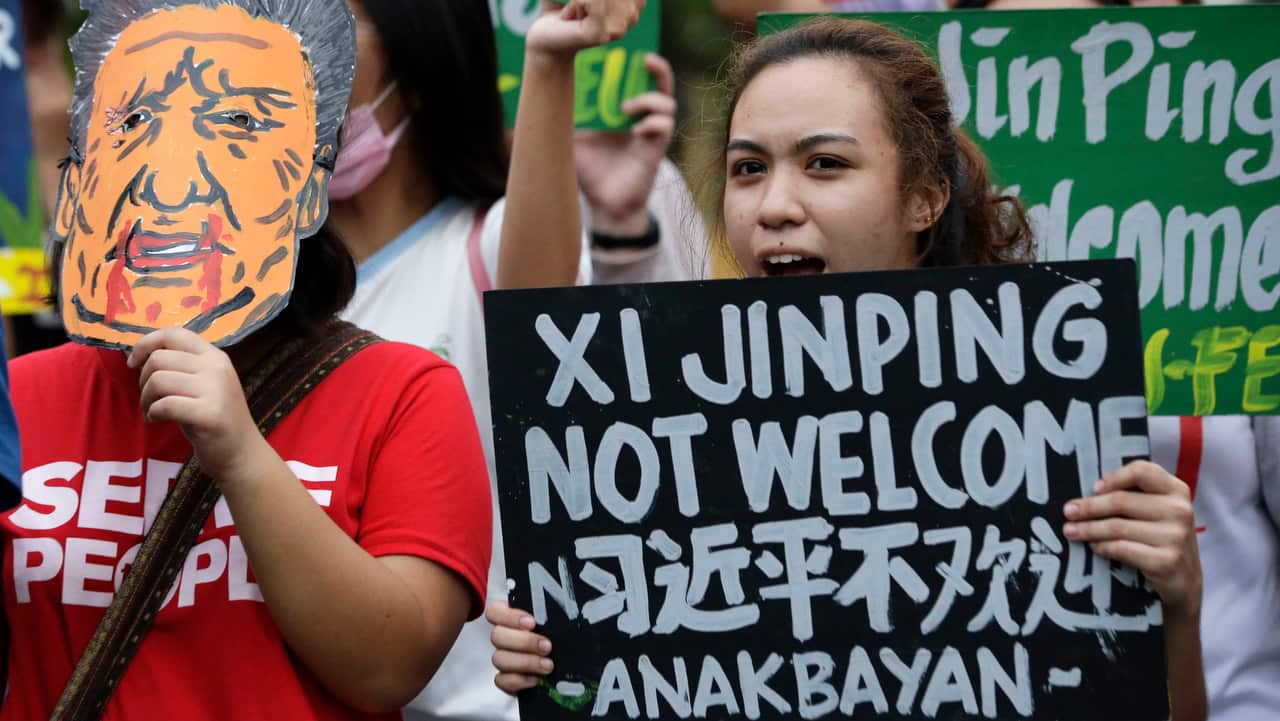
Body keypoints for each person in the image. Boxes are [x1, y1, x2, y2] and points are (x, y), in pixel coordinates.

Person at [486, 16, 1209, 721]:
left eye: (825, 163)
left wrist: (1171, 605)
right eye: (748, 169)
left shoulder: (1050, 421)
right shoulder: (672, 426)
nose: (774, 206)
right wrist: (565, 659)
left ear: (924, 196)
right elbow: (536, 331)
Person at [4, 1, 492, 718]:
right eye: (132, 123)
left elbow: (395, 664)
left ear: (307, 187)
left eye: (233, 125)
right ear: (77, 179)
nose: (172, 185)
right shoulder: (16, 400)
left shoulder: (405, 395)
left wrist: (242, 457)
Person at [327, 2, 665, 719]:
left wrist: (548, 61)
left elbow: (538, 306)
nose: (301, 50)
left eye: (335, 22)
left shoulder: (481, 248)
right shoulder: (266, 287)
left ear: (419, 68)